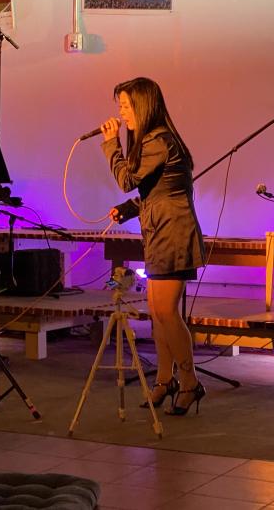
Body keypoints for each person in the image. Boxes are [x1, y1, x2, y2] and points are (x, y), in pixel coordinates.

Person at [99, 77, 206, 416]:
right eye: (120, 106)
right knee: (157, 314)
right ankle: (164, 380)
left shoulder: (159, 140)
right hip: (159, 232)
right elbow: (157, 189)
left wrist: (111, 145)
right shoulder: (152, 141)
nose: (121, 113)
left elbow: (127, 179)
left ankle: (190, 383)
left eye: (126, 106)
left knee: (167, 313)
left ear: (143, 106)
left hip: (174, 234)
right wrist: (129, 209)